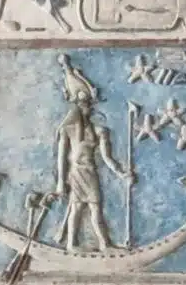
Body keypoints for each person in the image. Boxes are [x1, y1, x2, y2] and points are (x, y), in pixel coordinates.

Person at [53, 55, 132, 251]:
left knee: (96, 209)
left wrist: (121, 173)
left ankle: (105, 243)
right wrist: (60, 182)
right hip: (76, 173)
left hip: (91, 173)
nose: (87, 108)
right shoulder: (67, 130)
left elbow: (107, 158)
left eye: (88, 105)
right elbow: (62, 158)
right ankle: (72, 243)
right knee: (77, 208)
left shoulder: (99, 131)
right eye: (83, 105)